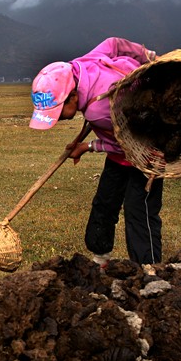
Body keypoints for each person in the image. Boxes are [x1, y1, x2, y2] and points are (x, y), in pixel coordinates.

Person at [29, 37, 162, 268]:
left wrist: (88, 146)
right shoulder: (80, 66)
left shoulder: (98, 111)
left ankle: (148, 270)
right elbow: (113, 44)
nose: (57, 117)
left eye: (59, 111)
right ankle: (100, 262)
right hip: (120, 154)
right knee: (104, 203)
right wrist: (147, 56)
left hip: (148, 154)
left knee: (138, 210)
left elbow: (129, 144)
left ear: (72, 96)